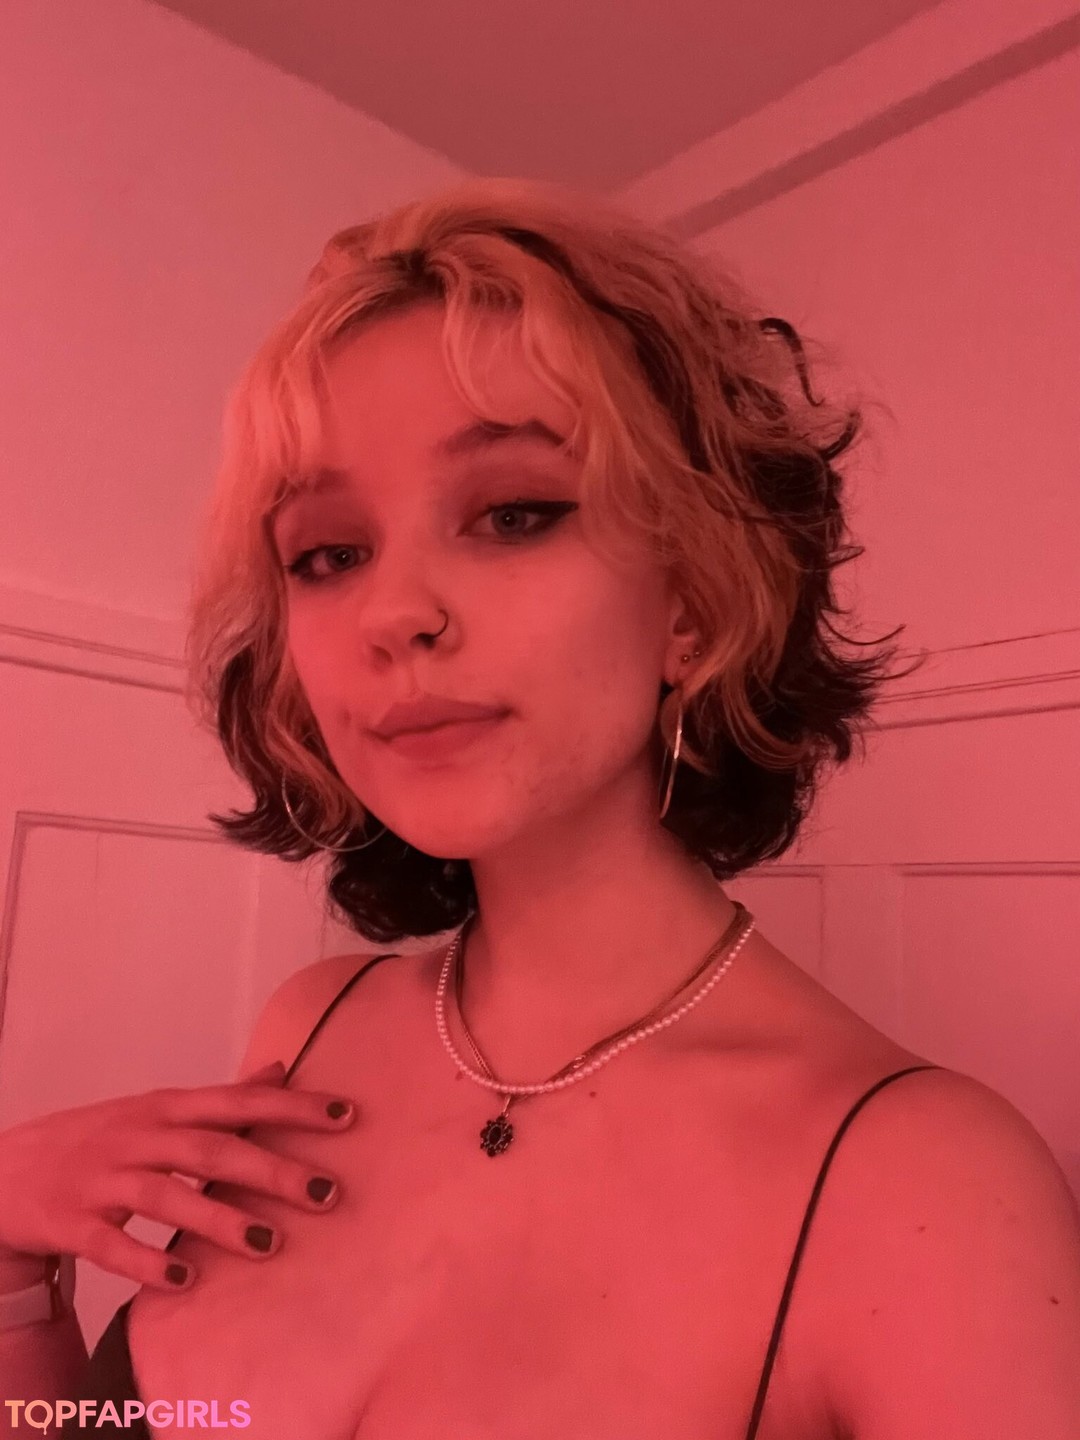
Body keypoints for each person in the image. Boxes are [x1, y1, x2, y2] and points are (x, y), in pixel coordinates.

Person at [1, 177, 1078, 1439]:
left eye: (514, 514)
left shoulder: (925, 1188)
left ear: (692, 604)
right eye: (329, 554)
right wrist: (13, 1284)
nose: (393, 614)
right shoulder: (309, 1026)